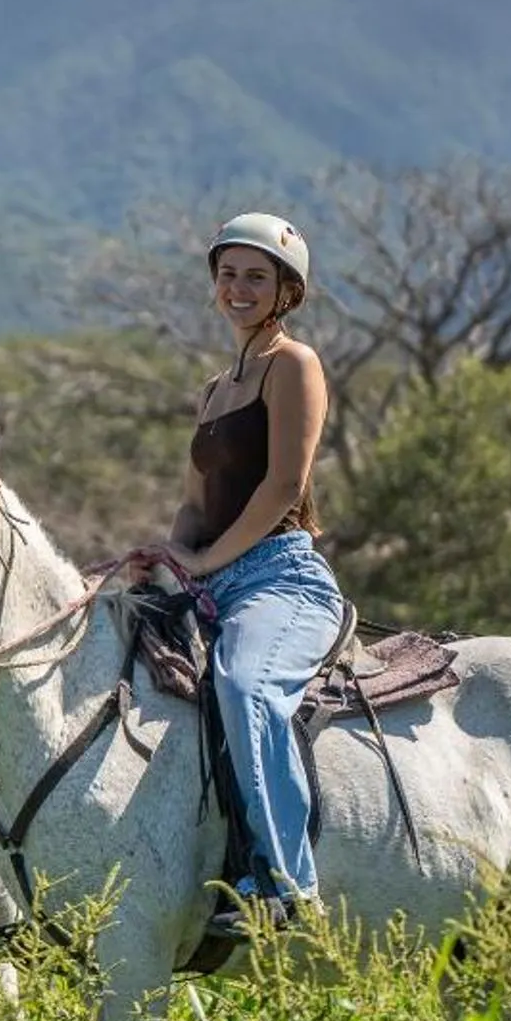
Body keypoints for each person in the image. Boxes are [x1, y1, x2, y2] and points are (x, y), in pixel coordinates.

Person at [156, 212, 343, 940]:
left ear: (286, 291)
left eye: (256, 277)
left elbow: (283, 489)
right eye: (228, 274)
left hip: (280, 577)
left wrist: (205, 561)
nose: (238, 288)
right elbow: (193, 504)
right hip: (214, 575)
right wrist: (168, 556)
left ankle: (288, 887)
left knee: (244, 684)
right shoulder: (215, 388)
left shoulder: (294, 365)